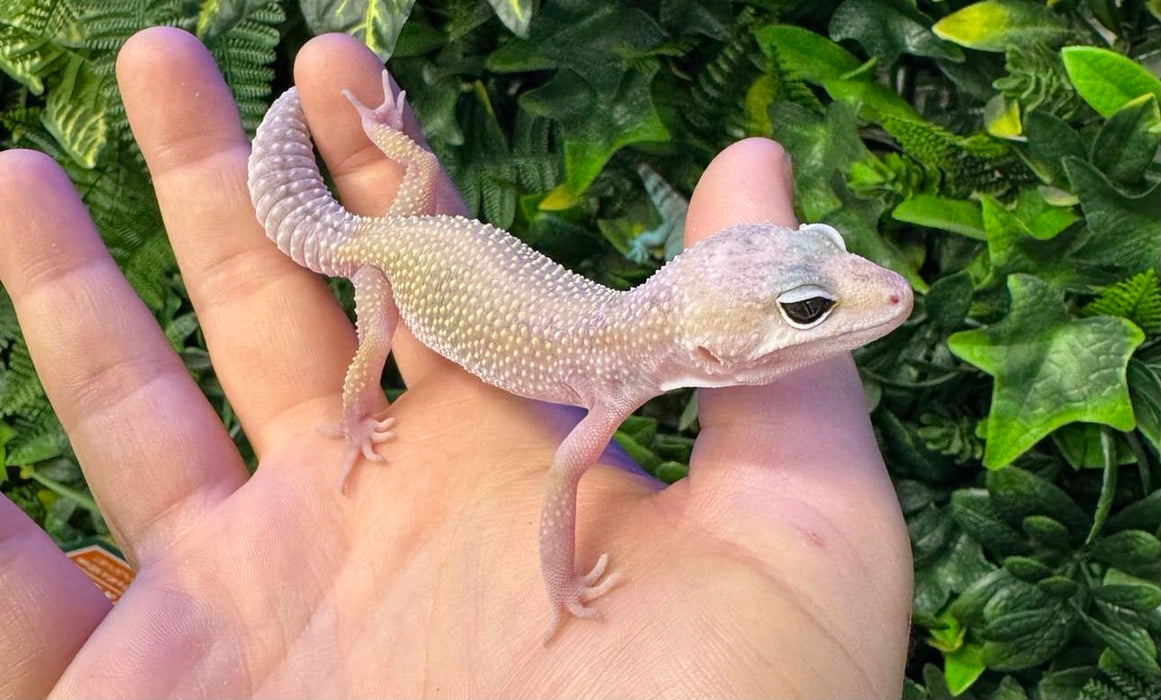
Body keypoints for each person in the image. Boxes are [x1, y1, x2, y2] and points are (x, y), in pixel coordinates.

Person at [0, 26, 912, 698]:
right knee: (367, 350)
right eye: (807, 308)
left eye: (810, 289)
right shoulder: (611, 380)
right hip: (383, 251)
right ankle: (353, 412)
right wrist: (554, 580)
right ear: (710, 349)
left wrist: (397, 144)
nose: (885, 293)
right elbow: (561, 478)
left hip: (410, 228)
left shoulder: (631, 351)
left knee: (386, 240)